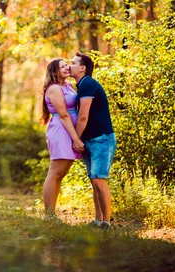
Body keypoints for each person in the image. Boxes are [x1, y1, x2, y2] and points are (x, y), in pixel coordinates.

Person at [69, 51, 116, 229]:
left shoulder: (87, 83)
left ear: (82, 68)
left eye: (73, 63)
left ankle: (106, 222)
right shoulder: (82, 85)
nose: (69, 65)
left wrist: (76, 139)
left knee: (98, 179)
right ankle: (98, 220)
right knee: (94, 181)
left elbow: (83, 116)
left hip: (101, 139)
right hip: (90, 140)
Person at [40, 58, 85, 216]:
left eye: (67, 65)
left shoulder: (68, 86)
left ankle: (52, 212)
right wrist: (76, 139)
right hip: (61, 130)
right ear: (54, 72)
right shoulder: (53, 89)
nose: (67, 67)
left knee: (62, 173)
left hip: (70, 130)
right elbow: (64, 115)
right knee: (55, 173)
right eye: (62, 66)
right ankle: (49, 215)